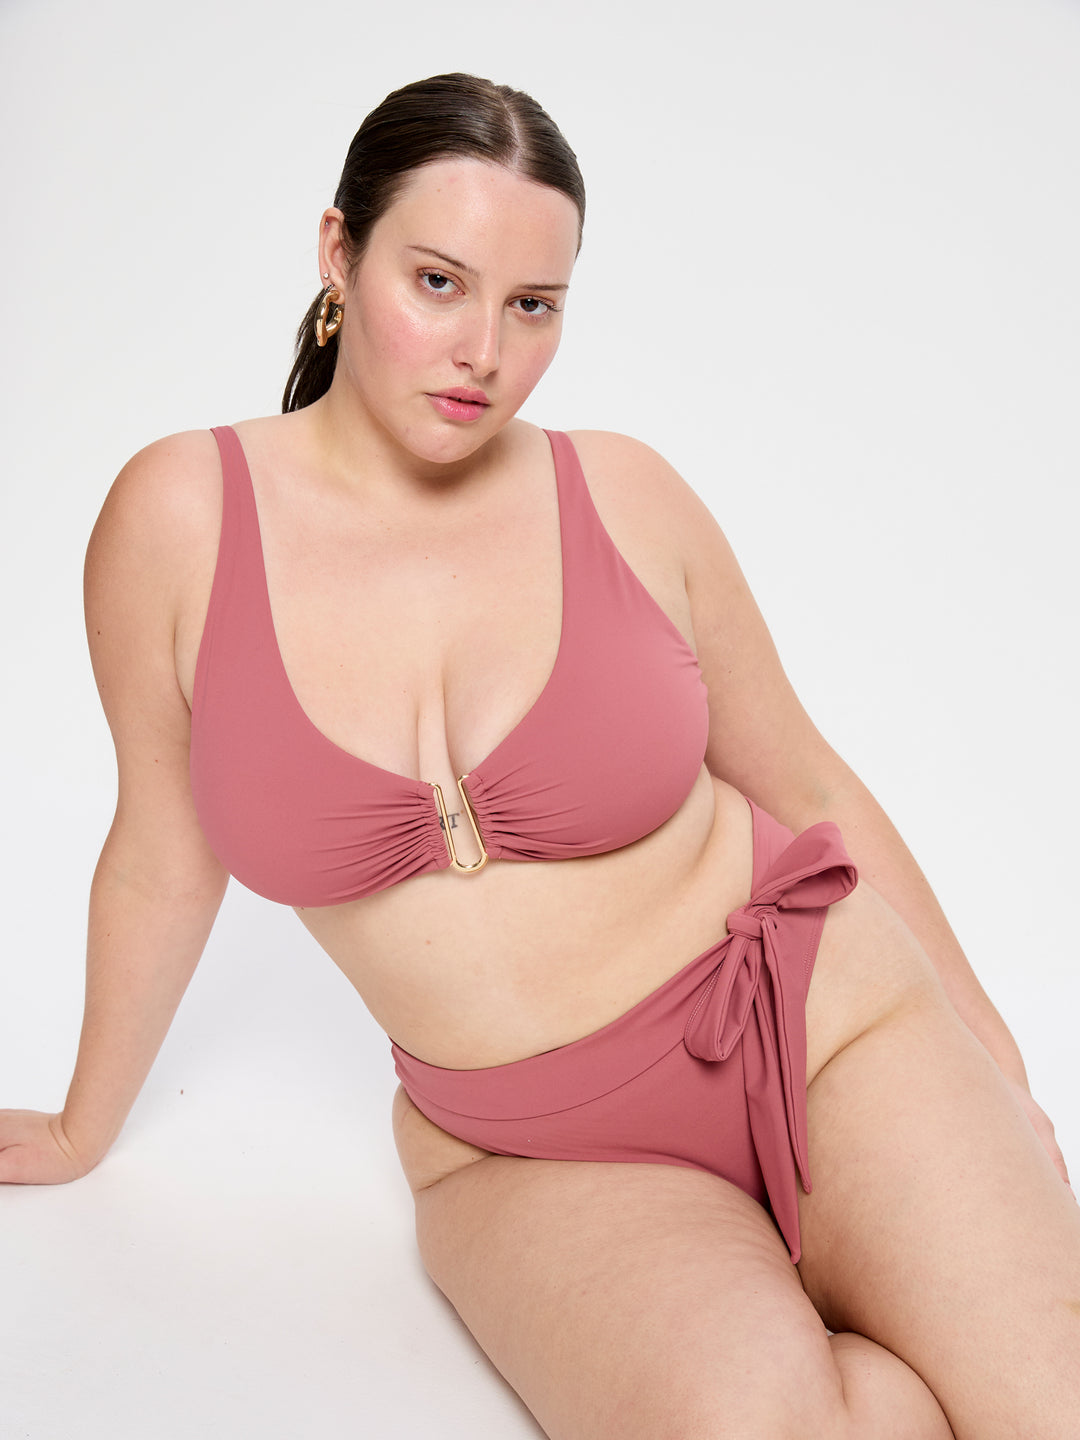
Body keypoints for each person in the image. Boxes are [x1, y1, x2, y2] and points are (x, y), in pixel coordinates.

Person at [1, 71, 1077, 1439]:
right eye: (438, 283)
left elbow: (803, 782)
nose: (483, 354)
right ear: (338, 252)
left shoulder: (625, 494)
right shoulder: (179, 520)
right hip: (529, 1154)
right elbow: (162, 854)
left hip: (825, 1027)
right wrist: (84, 1124)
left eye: (533, 306)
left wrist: (997, 1063)